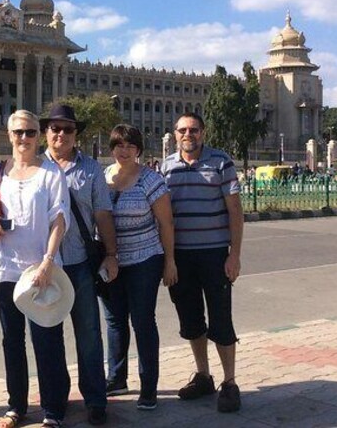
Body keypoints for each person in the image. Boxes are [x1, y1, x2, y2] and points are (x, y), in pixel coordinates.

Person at [0, 110, 71, 428]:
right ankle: (17, 406)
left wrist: (48, 260)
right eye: (18, 132)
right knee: (11, 340)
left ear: (39, 135)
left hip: (40, 269)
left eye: (30, 132)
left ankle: (53, 410)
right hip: (6, 269)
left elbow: (60, 219)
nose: (24, 138)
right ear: (8, 135)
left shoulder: (51, 173)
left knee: (47, 339)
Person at [160, 113, 243, 413]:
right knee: (191, 320)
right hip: (182, 256)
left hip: (214, 253)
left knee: (221, 319)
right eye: (182, 130)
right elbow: (164, 216)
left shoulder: (221, 162)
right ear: (175, 133)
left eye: (193, 129)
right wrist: (168, 259)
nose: (188, 134)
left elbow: (235, 211)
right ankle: (203, 375)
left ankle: (230, 382)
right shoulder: (167, 166)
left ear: (203, 133)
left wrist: (234, 255)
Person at [42, 104, 118, 425]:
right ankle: (54, 404)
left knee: (88, 334)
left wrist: (111, 254)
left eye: (68, 129)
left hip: (80, 264)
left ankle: (96, 399)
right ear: (46, 131)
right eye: (55, 128)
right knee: (49, 337)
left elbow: (102, 214)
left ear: (76, 134)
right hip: (46, 269)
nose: (61, 134)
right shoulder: (33, 166)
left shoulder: (91, 169)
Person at [102, 124, 177, 411]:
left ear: (139, 151)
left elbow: (166, 223)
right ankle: (116, 377)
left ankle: (149, 386)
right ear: (112, 149)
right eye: (119, 145)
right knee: (114, 321)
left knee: (143, 321)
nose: (124, 151)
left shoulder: (151, 180)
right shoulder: (103, 177)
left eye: (130, 146)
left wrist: (169, 260)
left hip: (145, 259)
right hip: (111, 261)